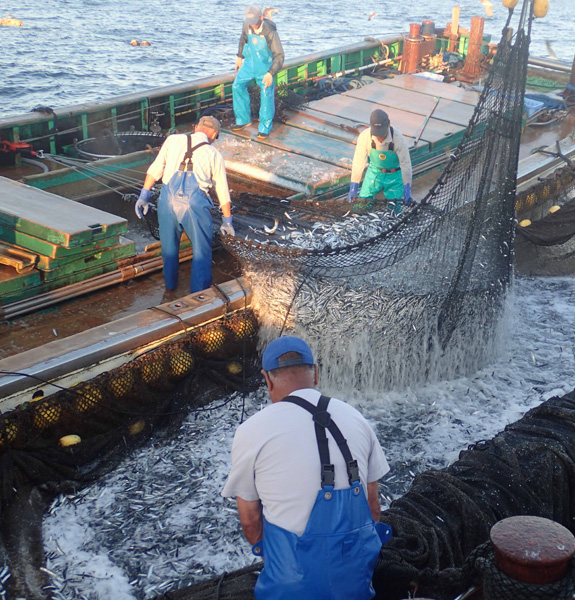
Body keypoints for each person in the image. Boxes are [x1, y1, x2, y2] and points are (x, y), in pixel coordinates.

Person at [222, 335, 392, 600]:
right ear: (316, 374)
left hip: (289, 589)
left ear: (267, 380)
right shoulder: (356, 419)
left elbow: (250, 521)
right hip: (355, 584)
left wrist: (278, 560)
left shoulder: (251, 431)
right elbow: (373, 507)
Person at [135, 115, 234, 293]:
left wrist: (144, 196)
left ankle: (170, 287)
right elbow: (222, 190)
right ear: (214, 135)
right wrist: (227, 220)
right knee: (201, 252)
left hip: (167, 201)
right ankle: (199, 296)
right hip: (194, 205)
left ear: (195, 127)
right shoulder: (214, 154)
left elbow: (156, 169)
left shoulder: (172, 140)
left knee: (169, 249)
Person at [232, 5, 285, 140]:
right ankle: (243, 119)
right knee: (237, 86)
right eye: (250, 22)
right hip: (249, 64)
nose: (252, 25)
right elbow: (243, 39)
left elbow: (279, 56)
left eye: (254, 22)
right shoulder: (247, 25)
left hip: (264, 67)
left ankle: (264, 128)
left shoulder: (270, 31)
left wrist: (270, 73)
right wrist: (239, 56)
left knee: (266, 93)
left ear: (261, 17)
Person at [348, 109, 413, 215]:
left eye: (382, 133)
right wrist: (354, 186)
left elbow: (406, 165)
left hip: (394, 174)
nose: (379, 137)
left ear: (388, 124)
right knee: (361, 204)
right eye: (377, 133)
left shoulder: (398, 139)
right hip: (374, 172)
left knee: (394, 208)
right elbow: (359, 161)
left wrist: (407, 189)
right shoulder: (365, 136)